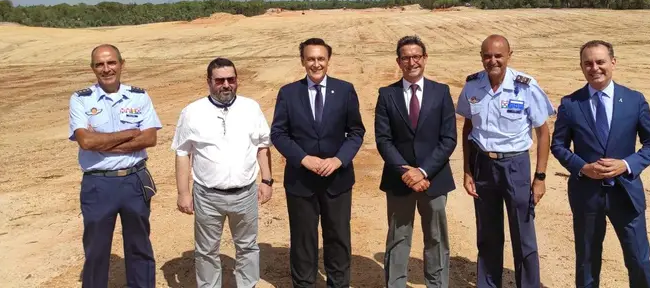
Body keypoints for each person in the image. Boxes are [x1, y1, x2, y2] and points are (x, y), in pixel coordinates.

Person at [550, 40, 650, 288]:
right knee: (587, 261)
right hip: (587, 194)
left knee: (638, 259)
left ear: (613, 62)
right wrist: (583, 167)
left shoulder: (634, 100)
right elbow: (558, 146)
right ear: (581, 67)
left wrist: (626, 163)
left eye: (600, 62)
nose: (595, 68)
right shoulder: (570, 104)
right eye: (588, 63)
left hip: (626, 193)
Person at [455, 34, 555, 288]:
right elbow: (468, 128)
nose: (493, 61)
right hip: (483, 165)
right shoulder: (472, 85)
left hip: (516, 166)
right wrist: (467, 170)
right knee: (488, 234)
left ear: (509, 55)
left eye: (498, 55)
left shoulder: (526, 86)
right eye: (487, 56)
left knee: (523, 234)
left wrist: (540, 177)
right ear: (481, 57)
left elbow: (542, 131)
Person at [270, 37, 366, 288]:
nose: (316, 64)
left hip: (337, 179)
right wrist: (303, 158)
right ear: (302, 61)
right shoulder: (288, 93)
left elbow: (356, 132)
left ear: (328, 60)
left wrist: (338, 160)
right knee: (303, 239)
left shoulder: (345, 90)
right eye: (310, 59)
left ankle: (339, 284)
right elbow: (278, 133)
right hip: (301, 181)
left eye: (320, 59)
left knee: (338, 237)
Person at [171, 57, 274, 288]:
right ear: (209, 82)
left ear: (237, 80)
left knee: (248, 247)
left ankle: (248, 285)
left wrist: (267, 180)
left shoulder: (251, 108)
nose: (226, 85)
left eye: (231, 79)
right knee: (206, 251)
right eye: (219, 80)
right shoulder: (192, 112)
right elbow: (182, 153)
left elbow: (262, 145)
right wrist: (183, 193)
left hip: (245, 194)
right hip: (207, 196)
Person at [68, 44, 162, 288]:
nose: (106, 69)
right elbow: (86, 141)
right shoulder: (80, 99)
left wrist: (103, 142)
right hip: (98, 184)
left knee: (139, 246)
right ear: (93, 68)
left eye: (111, 63)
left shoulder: (139, 96)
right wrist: (130, 134)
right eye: (100, 64)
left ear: (122, 64)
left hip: (134, 180)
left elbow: (149, 138)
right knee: (96, 252)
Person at [374, 35, 457, 287]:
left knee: (436, 238)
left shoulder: (441, 92)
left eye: (416, 56)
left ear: (425, 58)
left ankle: (437, 284)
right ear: (398, 62)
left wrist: (422, 171)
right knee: (399, 237)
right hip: (399, 180)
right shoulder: (386, 94)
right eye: (406, 57)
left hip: (435, 178)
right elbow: (383, 140)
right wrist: (405, 172)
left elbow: (448, 138)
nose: (412, 62)